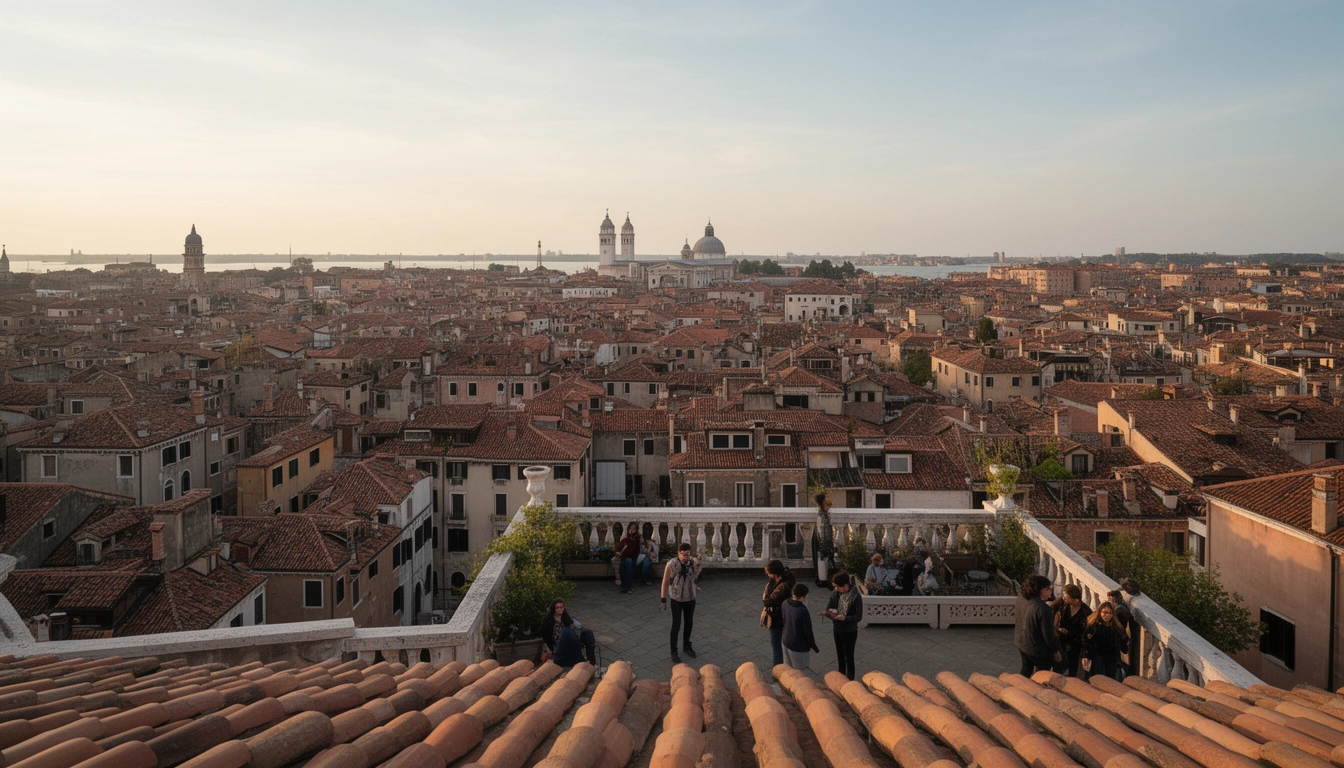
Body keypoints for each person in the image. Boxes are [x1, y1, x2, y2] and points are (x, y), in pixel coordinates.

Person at [661, 542, 703, 663]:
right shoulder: (671, 564)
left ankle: (687, 646)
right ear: (678, 553)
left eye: (688, 554)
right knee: (676, 625)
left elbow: (695, 576)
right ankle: (673, 650)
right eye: (683, 554)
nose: (686, 557)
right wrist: (663, 600)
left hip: (690, 598)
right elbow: (664, 582)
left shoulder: (692, 562)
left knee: (689, 623)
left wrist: (698, 565)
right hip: (677, 598)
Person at [1015, 574, 1063, 676]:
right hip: (1037, 649)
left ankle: (1019, 686)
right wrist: (1056, 652)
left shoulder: (1022, 598)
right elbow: (1048, 635)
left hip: (1022, 643)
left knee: (1026, 669)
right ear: (1041, 590)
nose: (1050, 591)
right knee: (1042, 674)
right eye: (1048, 588)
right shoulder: (1043, 609)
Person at [822, 571, 864, 680]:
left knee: (848, 656)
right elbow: (829, 608)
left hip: (849, 630)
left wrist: (845, 618)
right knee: (840, 654)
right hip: (837, 627)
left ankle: (850, 679)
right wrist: (830, 613)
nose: (836, 589)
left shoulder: (856, 596)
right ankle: (840, 677)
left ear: (845, 585)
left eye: (837, 587)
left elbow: (858, 617)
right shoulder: (835, 593)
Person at [1081, 601, 1130, 681]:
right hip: (1097, 655)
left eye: (1110, 613)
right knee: (1098, 678)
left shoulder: (1116, 627)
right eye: (1105, 612)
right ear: (1100, 612)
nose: (1107, 615)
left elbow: (1123, 639)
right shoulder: (1093, 625)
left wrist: (1124, 647)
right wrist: (1086, 656)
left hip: (1111, 656)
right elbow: (1085, 641)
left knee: (1111, 678)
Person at [541, 598, 596, 668]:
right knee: (567, 630)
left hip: (572, 640)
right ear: (554, 609)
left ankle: (592, 662)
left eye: (561, 607)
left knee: (587, 632)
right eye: (557, 608)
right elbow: (546, 637)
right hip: (559, 644)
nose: (559, 609)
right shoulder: (548, 620)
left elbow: (574, 627)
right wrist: (552, 650)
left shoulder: (565, 616)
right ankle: (580, 660)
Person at [762, 559, 796, 666]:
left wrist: (766, 599)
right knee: (779, 648)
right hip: (777, 616)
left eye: (770, 573)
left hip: (779, 618)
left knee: (778, 648)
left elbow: (768, 600)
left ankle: (778, 674)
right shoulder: (775, 581)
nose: (769, 575)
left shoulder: (785, 585)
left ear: (775, 573)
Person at [1053, 584, 1092, 676]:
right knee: (1058, 666)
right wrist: (1057, 628)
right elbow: (1047, 613)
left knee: (1072, 667)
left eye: (1067, 597)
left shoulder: (1086, 611)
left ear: (1076, 600)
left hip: (1075, 644)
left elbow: (1088, 631)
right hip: (1060, 641)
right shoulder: (1061, 604)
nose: (1064, 599)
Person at [781, 583, 820, 669]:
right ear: (802, 597)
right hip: (798, 646)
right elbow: (808, 632)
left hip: (785, 640)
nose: (807, 597)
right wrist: (814, 646)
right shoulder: (802, 611)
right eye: (806, 595)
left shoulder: (785, 603)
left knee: (788, 671)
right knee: (801, 674)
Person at [616, 523, 647, 594]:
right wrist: (620, 553)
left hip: (633, 559)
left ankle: (628, 586)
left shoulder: (638, 539)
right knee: (624, 565)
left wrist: (641, 542)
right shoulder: (625, 539)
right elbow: (619, 550)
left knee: (628, 562)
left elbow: (640, 551)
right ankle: (625, 586)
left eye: (634, 529)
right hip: (624, 558)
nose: (632, 530)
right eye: (631, 528)